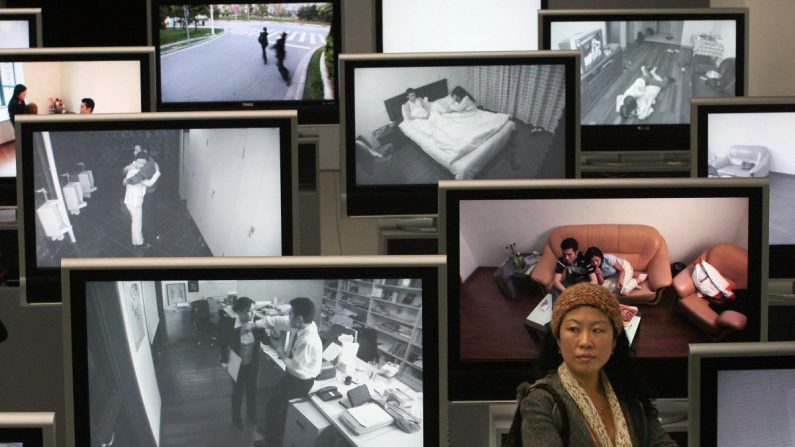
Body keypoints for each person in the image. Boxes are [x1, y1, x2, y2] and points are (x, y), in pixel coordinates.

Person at [518, 283, 677, 446]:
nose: (585, 342)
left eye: (597, 330)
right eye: (573, 329)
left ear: (614, 341)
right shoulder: (541, 402)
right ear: (558, 340)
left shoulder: (629, 392)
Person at [253, 297, 322, 447]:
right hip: (291, 375)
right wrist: (255, 324)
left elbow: (295, 367)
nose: (288, 316)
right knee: (272, 405)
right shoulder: (300, 324)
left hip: (300, 380)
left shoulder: (308, 340)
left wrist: (278, 349)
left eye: (290, 313)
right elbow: (278, 320)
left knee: (281, 413)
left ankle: (273, 442)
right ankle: (269, 435)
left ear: (299, 318)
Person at [229, 297, 269, 429]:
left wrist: (274, 334)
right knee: (237, 392)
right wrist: (224, 360)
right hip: (236, 363)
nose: (252, 315)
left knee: (251, 391)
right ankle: (236, 418)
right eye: (248, 312)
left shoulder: (256, 323)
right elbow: (224, 342)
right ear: (239, 312)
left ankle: (251, 415)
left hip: (252, 363)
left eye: (253, 311)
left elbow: (265, 340)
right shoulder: (230, 324)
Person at [122, 150, 159, 247]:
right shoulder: (135, 172)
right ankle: (138, 242)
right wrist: (158, 172)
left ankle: (138, 239)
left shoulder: (136, 171)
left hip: (132, 201)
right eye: (138, 162)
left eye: (143, 163)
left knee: (136, 221)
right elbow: (149, 183)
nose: (140, 165)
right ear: (135, 161)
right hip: (134, 202)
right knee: (137, 223)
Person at [552, 237, 597, 303]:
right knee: (555, 288)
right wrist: (567, 291)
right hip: (570, 280)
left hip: (583, 281)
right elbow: (556, 281)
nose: (566, 258)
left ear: (577, 252)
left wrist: (579, 290)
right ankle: (556, 309)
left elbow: (595, 281)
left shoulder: (585, 258)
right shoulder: (562, 260)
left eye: (569, 254)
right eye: (564, 254)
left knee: (588, 296)